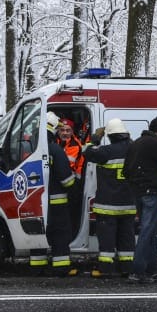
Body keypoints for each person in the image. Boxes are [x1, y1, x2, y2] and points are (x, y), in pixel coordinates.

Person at [124, 116, 157, 284]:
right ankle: (137, 271)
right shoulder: (155, 144)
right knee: (147, 232)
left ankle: (153, 269)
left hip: (138, 193)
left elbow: (126, 170)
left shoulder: (135, 144)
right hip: (153, 194)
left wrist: (137, 184)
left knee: (150, 232)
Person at [82, 118, 136, 278]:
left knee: (107, 240)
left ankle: (106, 269)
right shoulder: (134, 150)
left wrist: (95, 139)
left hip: (107, 206)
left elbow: (87, 151)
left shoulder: (106, 151)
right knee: (126, 238)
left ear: (111, 136)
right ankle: (127, 267)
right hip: (128, 205)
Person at [29, 111, 78, 277]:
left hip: (35, 200)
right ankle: (61, 267)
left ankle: (37, 266)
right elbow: (67, 181)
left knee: (38, 231)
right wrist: (74, 185)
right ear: (54, 130)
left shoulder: (31, 150)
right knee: (60, 234)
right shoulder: (56, 150)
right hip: (57, 203)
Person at [56, 117, 86, 237]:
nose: (65, 133)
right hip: (56, 184)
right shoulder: (53, 142)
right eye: (62, 130)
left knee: (69, 214)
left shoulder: (76, 146)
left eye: (68, 130)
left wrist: (75, 187)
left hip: (71, 186)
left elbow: (76, 167)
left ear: (72, 131)